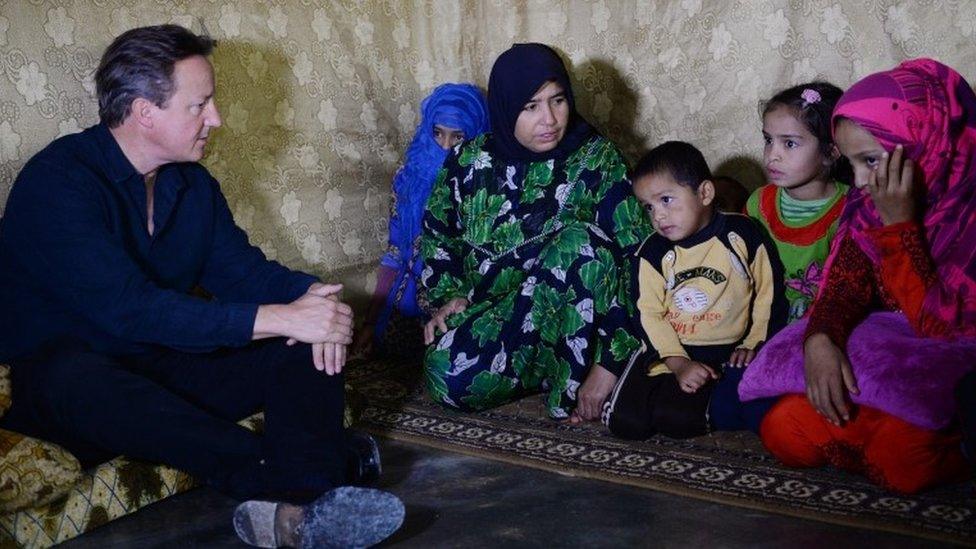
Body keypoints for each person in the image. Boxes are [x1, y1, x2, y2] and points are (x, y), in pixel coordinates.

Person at [0, 25, 403, 547]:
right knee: (84, 379)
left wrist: (317, 300)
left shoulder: (191, 184)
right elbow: (130, 310)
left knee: (300, 348)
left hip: (160, 360)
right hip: (71, 384)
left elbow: (244, 274)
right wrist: (282, 315)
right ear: (145, 112)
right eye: (200, 105)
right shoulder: (58, 182)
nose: (215, 119)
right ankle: (313, 479)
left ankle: (295, 514)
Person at [740, 58, 976, 493]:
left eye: (871, 160)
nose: (862, 181)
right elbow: (845, 285)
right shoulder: (866, 205)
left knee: (904, 462)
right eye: (853, 164)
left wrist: (899, 229)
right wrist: (820, 339)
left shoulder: (966, 211)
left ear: (927, 143)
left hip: (946, 372)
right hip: (884, 367)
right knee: (782, 431)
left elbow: (941, 326)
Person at [420, 43, 651, 421]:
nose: (550, 119)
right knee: (446, 375)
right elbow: (438, 234)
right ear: (507, 106)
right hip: (499, 319)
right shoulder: (470, 160)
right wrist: (450, 296)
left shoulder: (597, 159)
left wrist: (610, 360)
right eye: (531, 106)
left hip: (582, 324)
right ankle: (548, 371)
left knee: (583, 244)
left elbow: (636, 259)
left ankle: (597, 371)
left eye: (557, 100)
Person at [603, 141, 787, 439]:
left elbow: (768, 292)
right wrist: (676, 362)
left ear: (704, 193)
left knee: (679, 421)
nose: (658, 216)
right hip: (667, 349)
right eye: (648, 206)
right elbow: (648, 313)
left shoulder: (742, 235)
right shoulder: (651, 252)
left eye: (666, 200)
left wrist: (753, 344)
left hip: (722, 351)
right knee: (626, 423)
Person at [353, 83, 488, 358]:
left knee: (454, 356)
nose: (446, 146)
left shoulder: (487, 183)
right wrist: (370, 321)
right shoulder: (408, 178)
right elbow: (394, 252)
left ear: (476, 134)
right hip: (411, 295)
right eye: (437, 133)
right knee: (389, 347)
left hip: (462, 297)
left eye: (458, 137)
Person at [746, 82, 851, 322]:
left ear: (831, 153)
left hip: (823, 327)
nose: (772, 155)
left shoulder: (849, 209)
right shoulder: (758, 203)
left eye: (789, 143)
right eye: (768, 140)